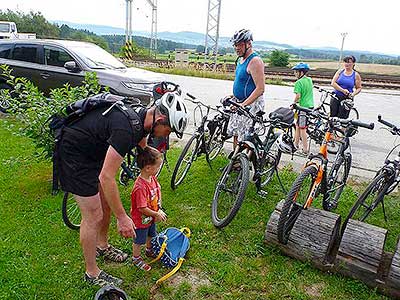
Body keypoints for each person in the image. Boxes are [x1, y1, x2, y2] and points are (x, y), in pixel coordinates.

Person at [58, 92, 188, 286]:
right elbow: (106, 177)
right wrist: (123, 218)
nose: (165, 137)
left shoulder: (143, 119)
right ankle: (92, 273)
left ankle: (102, 246)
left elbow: (142, 145)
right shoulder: (125, 129)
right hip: (75, 154)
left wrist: (148, 160)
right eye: (168, 131)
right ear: (160, 120)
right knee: (93, 216)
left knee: (106, 205)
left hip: (94, 151)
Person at [227, 29, 265, 148]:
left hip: (251, 104)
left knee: (245, 138)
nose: (237, 48)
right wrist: (234, 97)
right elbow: (243, 82)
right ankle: (235, 161)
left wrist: (243, 104)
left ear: (249, 44)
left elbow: (260, 89)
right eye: (235, 45)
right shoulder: (241, 59)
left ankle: (244, 162)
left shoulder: (255, 61)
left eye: (240, 45)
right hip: (239, 102)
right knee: (236, 134)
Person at [130, 147, 167, 271]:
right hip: (141, 220)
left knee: (151, 234)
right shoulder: (140, 187)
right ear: (148, 168)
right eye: (157, 166)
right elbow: (142, 208)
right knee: (139, 240)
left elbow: (158, 189)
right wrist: (156, 213)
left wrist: (159, 208)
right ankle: (136, 258)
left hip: (150, 217)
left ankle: (149, 249)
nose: (158, 169)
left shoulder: (152, 178)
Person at [291, 62, 314, 154]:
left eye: (296, 72)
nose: (295, 74)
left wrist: (293, 103)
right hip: (310, 106)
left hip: (303, 108)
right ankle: (295, 144)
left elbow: (298, 96)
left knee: (302, 128)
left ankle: (305, 149)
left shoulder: (298, 82)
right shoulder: (309, 79)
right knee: (297, 126)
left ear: (301, 72)